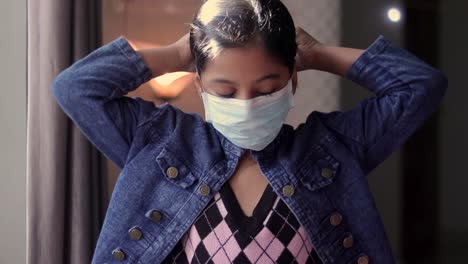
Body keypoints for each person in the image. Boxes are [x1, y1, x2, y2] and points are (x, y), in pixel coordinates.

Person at [51, 0, 447, 263]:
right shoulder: (162, 142)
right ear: (200, 85)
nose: (246, 102)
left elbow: (421, 86)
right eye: (226, 90)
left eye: (267, 87)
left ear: (293, 80)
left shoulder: (332, 148)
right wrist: (179, 53)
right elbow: (76, 88)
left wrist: (319, 53)